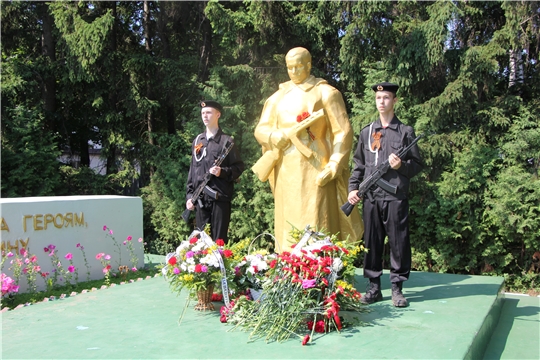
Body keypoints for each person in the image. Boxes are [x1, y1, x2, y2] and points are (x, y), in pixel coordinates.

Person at [254, 47, 363, 252]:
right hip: (285, 169)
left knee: (317, 218)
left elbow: (343, 131)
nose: (293, 72)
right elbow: (261, 128)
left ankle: (320, 268)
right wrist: (272, 136)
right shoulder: (277, 97)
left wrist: (335, 163)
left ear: (309, 65)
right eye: (289, 67)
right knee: (288, 223)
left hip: (316, 165)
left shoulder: (326, 93)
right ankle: (288, 266)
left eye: (298, 67)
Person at [347, 82, 423, 307]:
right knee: (372, 242)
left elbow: (417, 165)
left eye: (387, 98)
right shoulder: (368, 132)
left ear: (394, 101)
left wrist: (401, 167)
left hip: (395, 197)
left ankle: (397, 289)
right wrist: (353, 187)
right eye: (379, 98)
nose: (382, 102)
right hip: (370, 197)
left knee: (398, 243)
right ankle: (373, 288)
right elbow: (359, 163)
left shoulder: (405, 131)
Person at [186, 100, 245, 242]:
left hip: (220, 198)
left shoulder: (227, 141)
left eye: (208, 112)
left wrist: (222, 172)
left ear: (218, 115)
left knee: (219, 241)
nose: (205, 116)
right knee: (202, 241)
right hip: (200, 199)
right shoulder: (198, 141)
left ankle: (218, 264)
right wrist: (189, 195)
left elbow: (238, 168)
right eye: (203, 113)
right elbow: (193, 170)